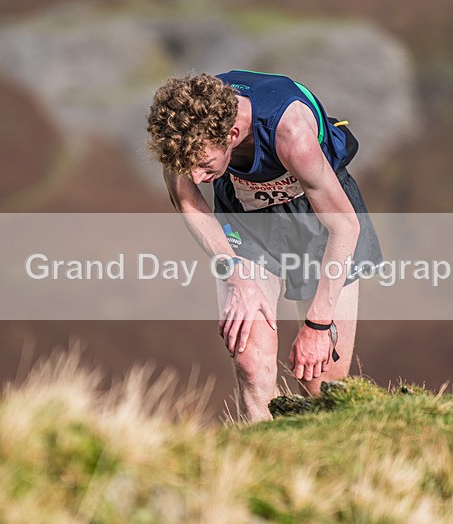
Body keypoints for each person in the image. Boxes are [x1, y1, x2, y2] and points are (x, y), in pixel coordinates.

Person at [146, 70, 382, 422]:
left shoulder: (291, 133)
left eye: (204, 165)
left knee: (322, 389)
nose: (195, 176)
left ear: (233, 134)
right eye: (187, 167)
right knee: (251, 363)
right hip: (248, 224)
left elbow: (345, 227)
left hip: (322, 224)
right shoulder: (183, 130)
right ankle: (264, 459)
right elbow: (187, 200)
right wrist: (235, 273)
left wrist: (317, 326)